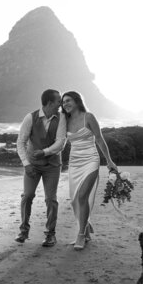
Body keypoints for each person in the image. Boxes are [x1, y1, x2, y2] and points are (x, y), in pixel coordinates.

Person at [48, 91, 117, 250]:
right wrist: (46, 152)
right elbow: (59, 140)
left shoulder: (89, 117)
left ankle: (80, 235)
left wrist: (109, 161)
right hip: (74, 162)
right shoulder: (65, 120)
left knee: (81, 196)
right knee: (74, 200)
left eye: (68, 101)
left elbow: (99, 139)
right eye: (63, 102)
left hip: (91, 160)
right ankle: (85, 228)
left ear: (77, 101)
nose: (65, 104)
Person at [15, 89, 63, 247]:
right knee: (27, 195)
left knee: (51, 199)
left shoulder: (61, 118)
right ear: (50, 103)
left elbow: (60, 143)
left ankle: (50, 234)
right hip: (32, 166)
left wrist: (44, 152)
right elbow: (20, 143)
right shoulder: (30, 117)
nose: (60, 104)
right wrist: (26, 164)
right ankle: (23, 230)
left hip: (52, 166)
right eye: (58, 101)